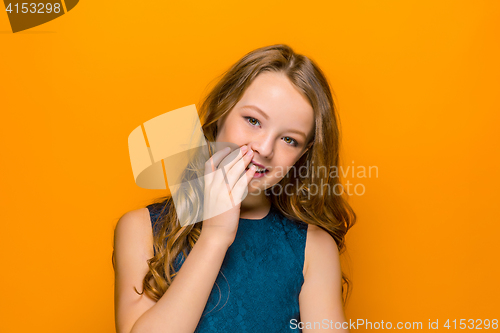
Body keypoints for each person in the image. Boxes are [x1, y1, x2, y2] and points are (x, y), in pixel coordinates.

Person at [112, 44, 356, 333]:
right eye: (253, 121)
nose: (264, 149)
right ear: (222, 112)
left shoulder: (313, 247)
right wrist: (215, 236)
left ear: (303, 154)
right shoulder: (142, 228)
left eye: (289, 139)